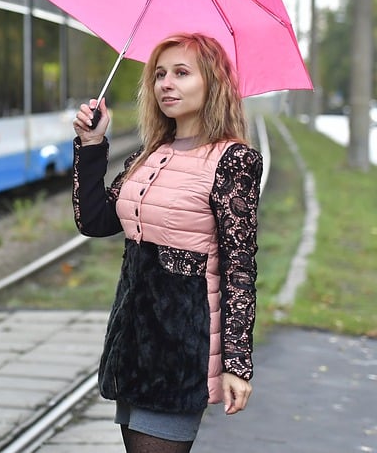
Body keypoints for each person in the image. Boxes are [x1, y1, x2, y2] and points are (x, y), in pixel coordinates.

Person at [72, 32, 262, 453]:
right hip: (132, 344)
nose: (166, 84)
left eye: (181, 73)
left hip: (182, 350)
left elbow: (239, 269)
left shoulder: (233, 161)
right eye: (159, 74)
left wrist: (237, 364)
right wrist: (90, 145)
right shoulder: (152, 152)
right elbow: (96, 221)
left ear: (212, 82)